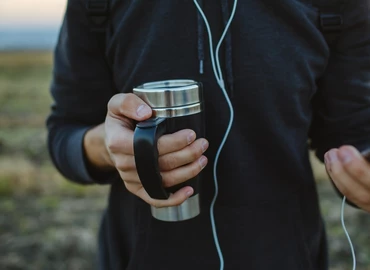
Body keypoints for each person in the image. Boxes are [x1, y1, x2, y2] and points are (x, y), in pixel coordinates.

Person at [46, 0, 370, 269]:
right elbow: (65, 133)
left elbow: (353, 130)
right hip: (139, 257)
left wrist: (362, 170)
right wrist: (107, 146)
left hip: (288, 256)